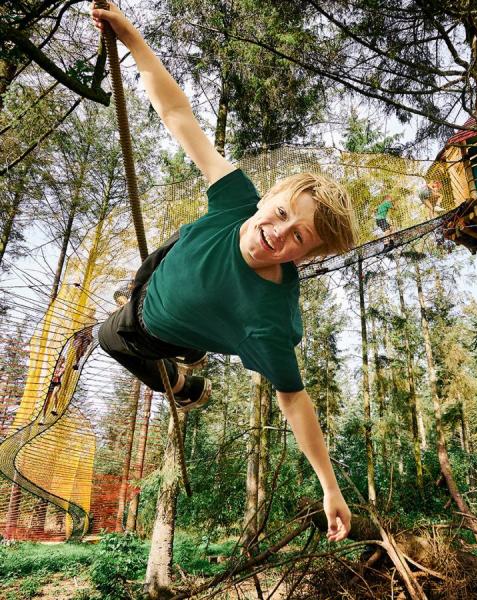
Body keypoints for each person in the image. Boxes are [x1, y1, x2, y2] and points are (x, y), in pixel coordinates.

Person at [91, 2, 356, 542]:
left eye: (298, 238)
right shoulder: (236, 197)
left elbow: (294, 400)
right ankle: (186, 340)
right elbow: (178, 116)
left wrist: (329, 485)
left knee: (107, 337)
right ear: (271, 197)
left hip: (151, 331)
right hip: (165, 269)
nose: (278, 233)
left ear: (306, 257)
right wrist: (133, 40)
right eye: (281, 214)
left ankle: (186, 383)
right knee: (162, 259)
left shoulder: (270, 321)